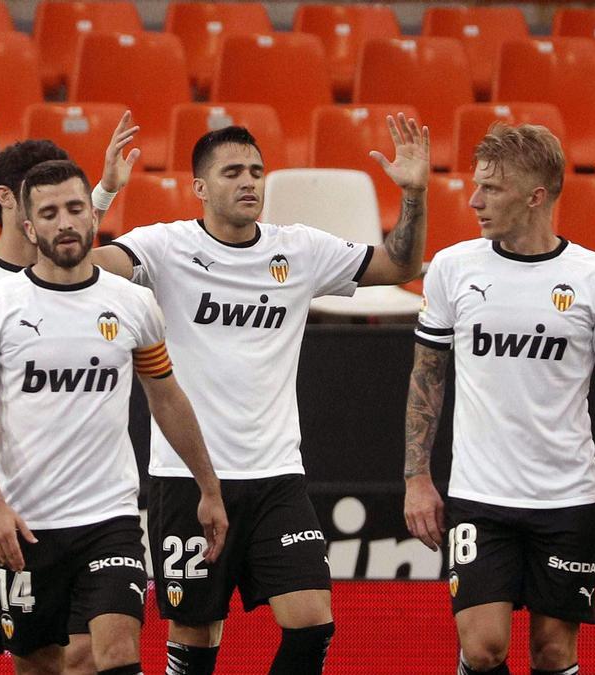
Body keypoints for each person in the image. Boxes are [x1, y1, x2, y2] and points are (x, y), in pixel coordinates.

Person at [89, 114, 429, 674]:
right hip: (186, 477)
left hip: (276, 476)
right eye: (232, 173)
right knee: (196, 637)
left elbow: (403, 264)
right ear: (199, 188)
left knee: (312, 620)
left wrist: (413, 196)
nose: (249, 182)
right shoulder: (164, 246)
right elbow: (78, 265)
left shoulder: (298, 251)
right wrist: (103, 194)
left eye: (256, 171)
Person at [0, 159, 228, 674]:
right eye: (51, 212)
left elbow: (166, 397)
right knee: (41, 665)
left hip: (111, 518)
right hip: (29, 523)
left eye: (76, 208)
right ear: (29, 225)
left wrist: (209, 488)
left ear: (93, 215)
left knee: (119, 655)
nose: (66, 222)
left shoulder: (133, 303)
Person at [403, 123, 595, 675]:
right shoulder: (452, 267)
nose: (474, 200)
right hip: (479, 497)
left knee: (553, 651)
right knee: (483, 648)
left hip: (566, 499)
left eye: (491, 188)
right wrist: (417, 476)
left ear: (536, 196)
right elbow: (426, 377)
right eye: (476, 185)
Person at [0, 116, 139, 675]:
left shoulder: (76, 275)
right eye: (41, 198)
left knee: (45, 654)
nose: (59, 212)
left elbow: (73, 237)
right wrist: (28, 421)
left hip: (56, 510)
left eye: (72, 202)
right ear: (8, 198)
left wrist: (106, 189)